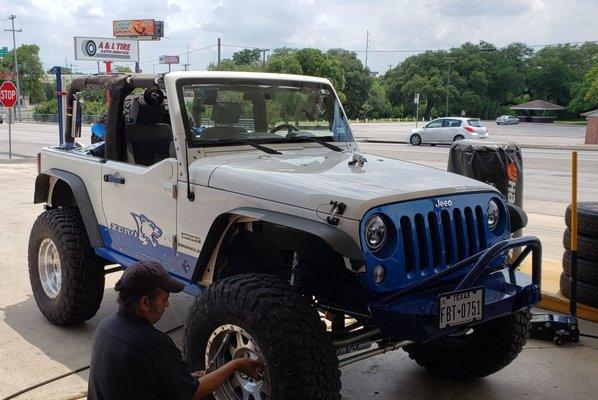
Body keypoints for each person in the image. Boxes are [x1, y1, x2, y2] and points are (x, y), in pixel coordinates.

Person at [88, 260, 262, 399]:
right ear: (145, 303)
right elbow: (193, 394)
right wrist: (235, 365)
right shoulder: (153, 343)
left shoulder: (106, 326)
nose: (167, 305)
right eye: (164, 299)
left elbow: (136, 382)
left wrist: (182, 380)